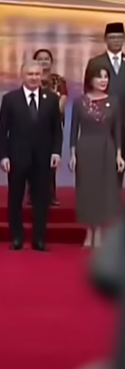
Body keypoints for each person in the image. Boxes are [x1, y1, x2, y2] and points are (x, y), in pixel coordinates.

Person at [0, 60, 62, 251]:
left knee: (41, 199)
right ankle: (17, 237)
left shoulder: (51, 99)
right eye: (30, 74)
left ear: (42, 76)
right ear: (22, 76)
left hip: (43, 157)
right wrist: (3, 156)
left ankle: (38, 239)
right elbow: (2, 130)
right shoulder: (10, 99)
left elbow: (57, 130)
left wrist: (56, 152)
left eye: (37, 74)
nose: (34, 78)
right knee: (15, 198)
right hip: (17, 156)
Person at [69, 66, 123, 249]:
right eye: (99, 77)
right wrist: (72, 154)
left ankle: (98, 231)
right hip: (85, 148)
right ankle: (88, 231)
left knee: (102, 190)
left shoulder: (114, 102)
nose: (103, 80)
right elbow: (74, 130)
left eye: (106, 77)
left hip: (106, 148)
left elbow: (117, 130)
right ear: (90, 79)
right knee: (86, 189)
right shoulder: (80, 102)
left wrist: (119, 155)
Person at [85, 22, 125, 184]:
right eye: (112, 37)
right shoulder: (95, 62)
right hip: (103, 123)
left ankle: (116, 196)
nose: (116, 41)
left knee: (120, 164)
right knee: (102, 166)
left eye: (119, 37)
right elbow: (88, 93)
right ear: (105, 39)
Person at [34, 48, 67, 204]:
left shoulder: (59, 81)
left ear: (51, 62)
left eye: (46, 59)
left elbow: (62, 102)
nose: (43, 61)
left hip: (53, 125)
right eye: (40, 59)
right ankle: (33, 194)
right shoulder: (32, 79)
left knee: (51, 160)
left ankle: (50, 194)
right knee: (33, 159)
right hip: (33, 125)